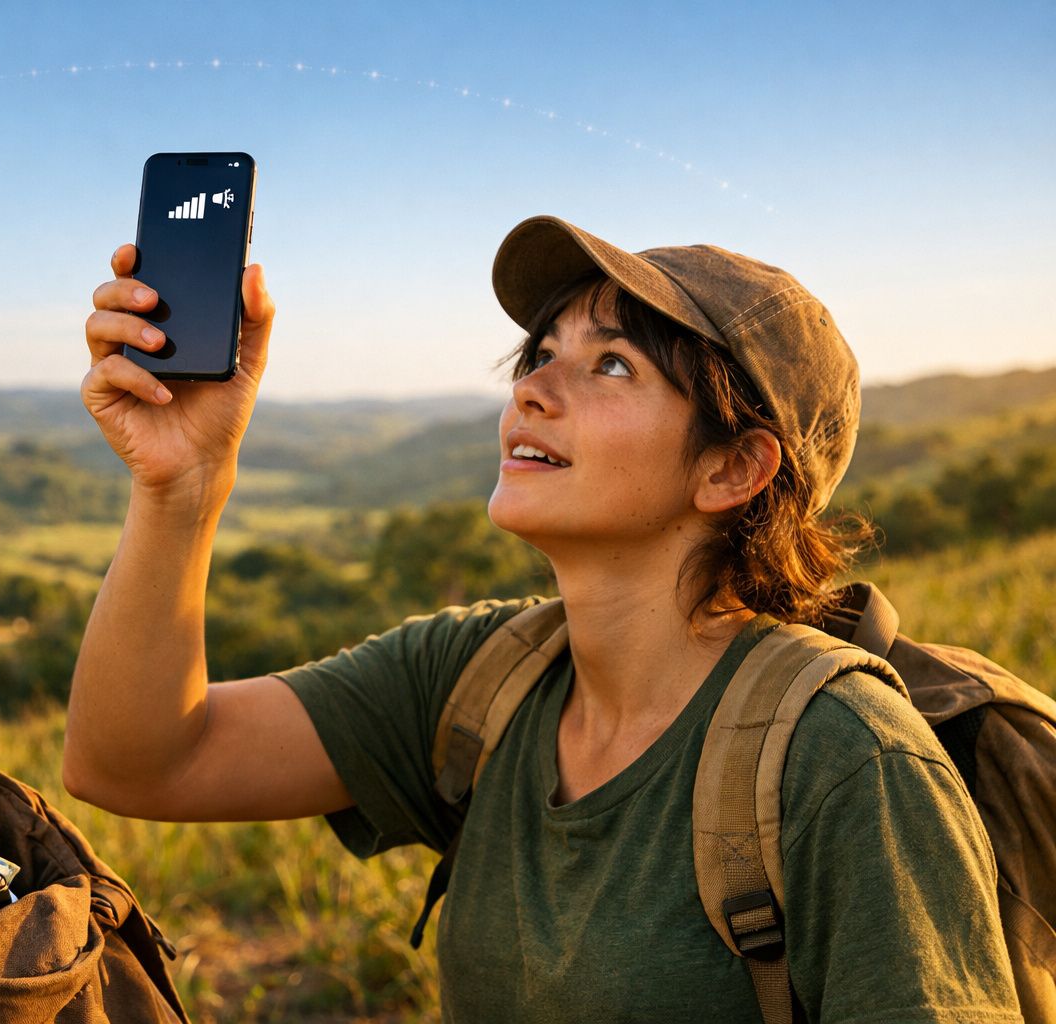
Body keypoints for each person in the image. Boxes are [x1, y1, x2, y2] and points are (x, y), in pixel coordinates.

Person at [64, 214, 1021, 1021]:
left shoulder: (846, 762)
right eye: (541, 352)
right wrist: (181, 485)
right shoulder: (485, 677)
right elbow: (138, 759)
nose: (532, 388)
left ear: (733, 468)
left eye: (611, 365)